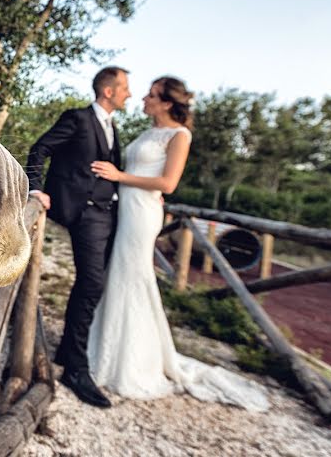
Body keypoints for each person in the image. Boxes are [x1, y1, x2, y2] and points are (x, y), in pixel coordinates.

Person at [87, 76, 269, 411]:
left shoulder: (179, 135)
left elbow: (168, 183)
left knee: (134, 278)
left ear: (167, 102)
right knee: (118, 276)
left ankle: (131, 362)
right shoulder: (147, 132)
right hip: (125, 209)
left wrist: (119, 176)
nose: (143, 98)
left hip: (142, 214)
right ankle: (104, 348)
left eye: (151, 95)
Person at [25, 66, 131, 408]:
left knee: (94, 284)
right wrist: (37, 190)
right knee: (92, 284)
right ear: (109, 91)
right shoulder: (78, 118)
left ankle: (69, 351)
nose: (129, 93)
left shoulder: (113, 125)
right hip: (85, 213)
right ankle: (75, 367)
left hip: (111, 212)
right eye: (125, 88)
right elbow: (40, 149)